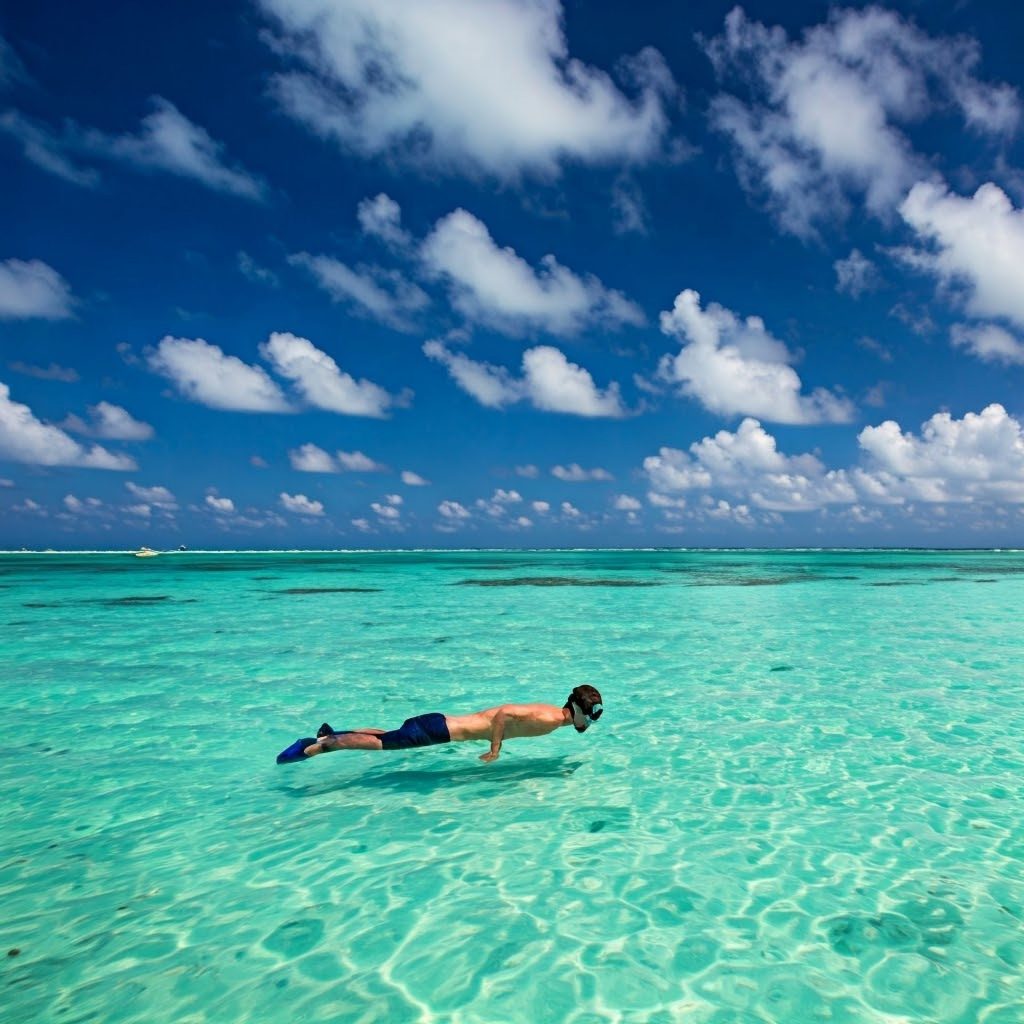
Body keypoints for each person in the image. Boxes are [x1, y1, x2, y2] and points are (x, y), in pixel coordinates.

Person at [276, 684, 603, 765]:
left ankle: (332, 734)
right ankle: (317, 747)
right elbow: (504, 714)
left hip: (436, 724)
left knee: (389, 735)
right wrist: (495, 749)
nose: (587, 724)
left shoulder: (556, 718)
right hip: (438, 730)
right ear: (574, 707)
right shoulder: (548, 718)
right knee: (381, 744)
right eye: (587, 716)